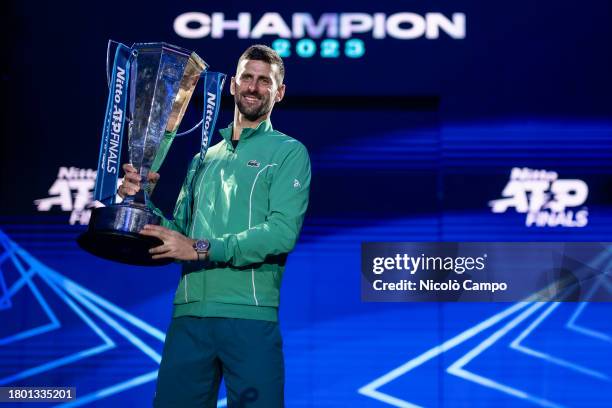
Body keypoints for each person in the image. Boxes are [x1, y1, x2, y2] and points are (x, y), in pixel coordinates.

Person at [118, 44, 311, 407]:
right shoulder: (203, 158)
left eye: (264, 81)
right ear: (232, 86)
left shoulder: (289, 152)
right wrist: (140, 200)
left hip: (249, 317)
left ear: (279, 92)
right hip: (189, 315)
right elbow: (177, 233)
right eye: (247, 78)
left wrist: (200, 247)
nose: (253, 87)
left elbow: (281, 233)